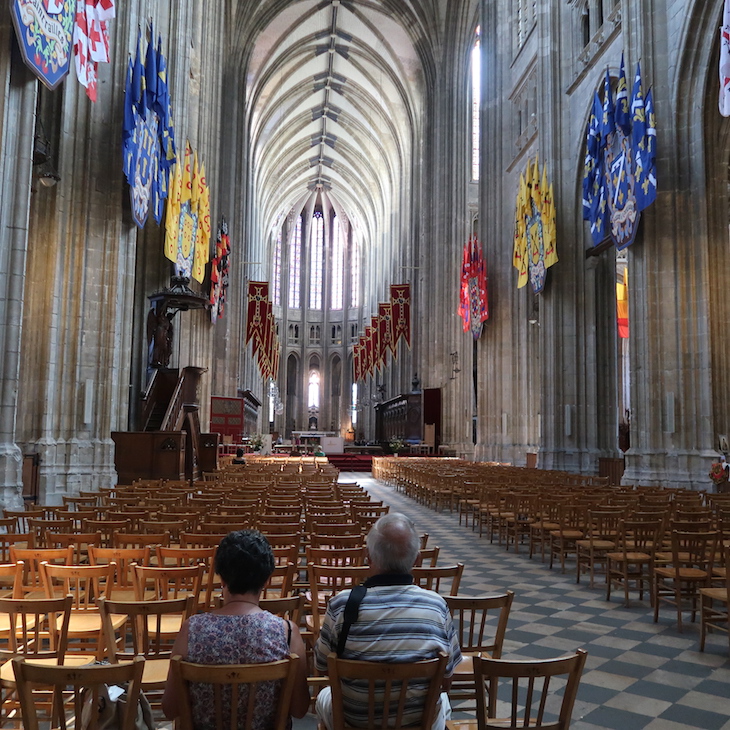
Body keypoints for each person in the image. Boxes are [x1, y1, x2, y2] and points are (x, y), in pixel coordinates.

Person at [313, 513, 461, 730]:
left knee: (324, 696)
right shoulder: (436, 605)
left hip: (356, 722)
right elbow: (447, 679)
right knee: (444, 702)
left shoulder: (342, 604)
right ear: (417, 560)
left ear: (369, 557)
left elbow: (322, 665)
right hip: (417, 722)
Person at [162, 530, 310, 729]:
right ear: (266, 581)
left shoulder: (191, 630)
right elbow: (299, 709)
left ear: (222, 579)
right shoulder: (287, 633)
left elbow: (170, 709)